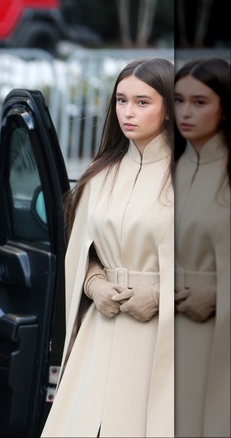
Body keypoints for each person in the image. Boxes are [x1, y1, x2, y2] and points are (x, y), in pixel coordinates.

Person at [40, 57, 174, 437]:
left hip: (162, 341)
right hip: (100, 330)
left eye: (142, 102)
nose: (127, 112)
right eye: (121, 100)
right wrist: (93, 283)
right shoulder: (99, 175)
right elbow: (83, 252)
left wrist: (160, 295)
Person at [173, 57, 230, 437]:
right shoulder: (165, 166)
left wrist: (215, 294)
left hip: (216, 331)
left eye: (200, 101)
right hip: (162, 324)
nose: (185, 112)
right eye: (178, 100)